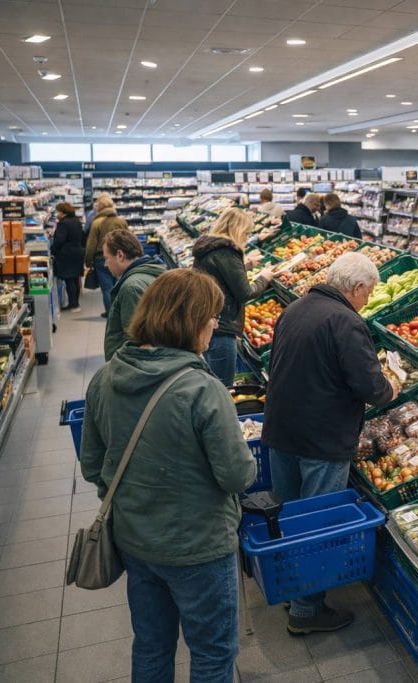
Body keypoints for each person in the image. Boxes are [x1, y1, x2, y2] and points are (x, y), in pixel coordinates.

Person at [80, 268, 256, 683]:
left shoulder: (104, 379)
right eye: (211, 316)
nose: (216, 323)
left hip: (136, 543)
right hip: (199, 549)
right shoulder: (202, 388)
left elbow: (92, 464)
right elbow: (236, 475)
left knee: (151, 646)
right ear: (189, 321)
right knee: (213, 653)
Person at [262, 252, 399, 634]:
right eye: (368, 293)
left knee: (289, 517)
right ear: (356, 288)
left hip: (282, 430)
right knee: (316, 524)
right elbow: (372, 388)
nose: (367, 301)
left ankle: (292, 589)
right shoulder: (346, 321)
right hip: (321, 438)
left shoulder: (296, 308)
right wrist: (393, 387)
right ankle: (306, 611)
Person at [192, 207, 280, 386]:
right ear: (237, 231)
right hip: (222, 326)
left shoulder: (211, 246)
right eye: (246, 234)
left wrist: (245, 265)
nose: (247, 239)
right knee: (223, 387)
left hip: (207, 321)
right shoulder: (228, 250)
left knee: (211, 380)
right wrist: (264, 278)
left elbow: (220, 275)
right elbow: (245, 293)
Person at [103, 230, 167, 361]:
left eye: (106, 258)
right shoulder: (151, 271)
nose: (105, 264)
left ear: (120, 255)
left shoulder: (131, 287)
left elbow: (135, 341)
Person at [85, 195, 124, 317]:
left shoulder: (96, 222)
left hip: (101, 259)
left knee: (107, 288)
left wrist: (88, 261)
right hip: (120, 257)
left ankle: (111, 314)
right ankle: (120, 312)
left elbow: (91, 244)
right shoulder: (121, 221)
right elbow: (128, 239)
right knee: (119, 285)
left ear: (99, 208)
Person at [50, 201, 85, 312]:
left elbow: (59, 240)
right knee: (75, 278)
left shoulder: (63, 223)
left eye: (58, 211)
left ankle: (72, 304)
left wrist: (53, 250)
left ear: (62, 212)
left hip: (67, 254)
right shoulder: (76, 220)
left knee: (69, 279)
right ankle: (76, 303)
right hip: (77, 252)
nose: (57, 214)